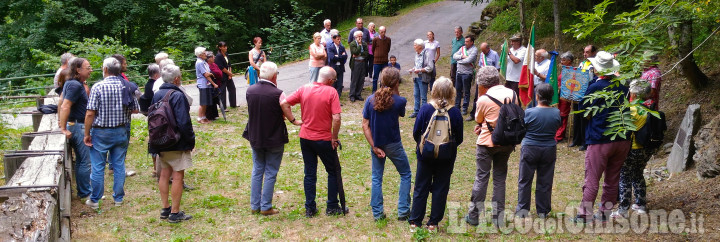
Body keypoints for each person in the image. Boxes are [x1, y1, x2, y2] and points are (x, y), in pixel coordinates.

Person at [280, 66, 347, 218]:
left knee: (309, 173)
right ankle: (332, 206)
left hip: (306, 137)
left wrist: (294, 121)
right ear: (330, 80)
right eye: (334, 80)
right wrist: (334, 137)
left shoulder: (304, 88)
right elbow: (336, 117)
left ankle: (310, 208)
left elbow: (284, 103)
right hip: (323, 139)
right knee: (332, 171)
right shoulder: (331, 92)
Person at [572, 51, 630, 224]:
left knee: (592, 178)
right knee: (612, 178)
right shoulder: (623, 85)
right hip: (623, 137)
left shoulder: (595, 87)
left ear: (597, 69)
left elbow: (584, 112)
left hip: (600, 138)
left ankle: (585, 214)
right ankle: (605, 212)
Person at [83, 57, 140, 209]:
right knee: (119, 164)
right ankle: (118, 198)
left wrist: (86, 133)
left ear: (105, 70)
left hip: (101, 132)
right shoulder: (127, 86)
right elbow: (135, 108)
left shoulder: (98, 87)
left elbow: (90, 113)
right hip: (121, 130)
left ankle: (95, 199)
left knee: (98, 166)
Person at [409, 77, 463, 233]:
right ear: (451, 91)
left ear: (434, 90)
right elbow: (459, 138)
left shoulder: (425, 109)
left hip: (425, 154)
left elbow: (416, 132)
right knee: (441, 188)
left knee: (421, 186)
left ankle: (415, 221)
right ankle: (433, 223)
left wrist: (425, 146)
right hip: (447, 156)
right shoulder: (455, 112)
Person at [465, 66, 517, 227]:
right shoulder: (513, 93)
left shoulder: (483, 98)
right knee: (500, 179)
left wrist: (482, 125)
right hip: (507, 141)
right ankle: (498, 217)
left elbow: (478, 118)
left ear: (482, 83)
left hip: (487, 142)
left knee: (481, 178)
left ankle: (474, 216)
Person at [244, 61, 296, 216]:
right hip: (274, 137)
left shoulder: (250, 90)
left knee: (257, 169)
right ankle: (265, 206)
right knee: (271, 171)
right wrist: (293, 120)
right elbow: (285, 110)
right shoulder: (278, 93)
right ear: (274, 76)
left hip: (256, 135)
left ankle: (255, 205)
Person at [361, 68, 411, 221]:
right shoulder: (399, 101)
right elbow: (401, 112)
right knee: (405, 174)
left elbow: (365, 125)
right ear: (396, 82)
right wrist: (396, 90)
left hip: (377, 143)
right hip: (394, 144)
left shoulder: (370, 100)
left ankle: (377, 213)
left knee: (377, 177)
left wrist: (374, 146)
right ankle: (403, 211)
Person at [151, 64, 195, 223]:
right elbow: (184, 122)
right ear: (177, 78)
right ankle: (175, 213)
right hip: (176, 141)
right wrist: (190, 141)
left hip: (160, 139)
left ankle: (165, 208)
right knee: (178, 176)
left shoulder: (157, 94)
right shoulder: (177, 95)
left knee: (164, 174)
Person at [515, 83, 561, 218]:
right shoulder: (556, 113)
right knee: (545, 180)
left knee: (524, 180)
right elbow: (557, 127)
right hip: (549, 149)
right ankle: (543, 210)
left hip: (530, 147)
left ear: (537, 96)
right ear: (552, 97)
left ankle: (522, 209)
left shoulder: (529, 112)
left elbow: (523, 128)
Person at [612, 79, 653, 219]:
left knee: (624, 177)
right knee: (638, 174)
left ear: (634, 94)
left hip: (632, 148)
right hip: (646, 149)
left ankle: (623, 209)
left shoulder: (631, 110)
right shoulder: (650, 107)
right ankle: (641, 204)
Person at [58, 57, 92, 200]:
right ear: (78, 70)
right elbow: (65, 105)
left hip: (76, 124)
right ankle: (85, 192)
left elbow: (61, 101)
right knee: (85, 160)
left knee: (80, 160)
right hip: (77, 125)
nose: (91, 70)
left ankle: (83, 190)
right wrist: (63, 128)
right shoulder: (75, 85)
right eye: (88, 67)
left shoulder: (73, 83)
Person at [570, 45, 599, 151]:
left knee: (584, 118)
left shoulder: (596, 64)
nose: (584, 54)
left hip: (589, 93)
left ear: (594, 52)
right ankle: (576, 139)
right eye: (584, 52)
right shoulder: (582, 64)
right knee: (577, 117)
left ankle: (585, 141)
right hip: (578, 93)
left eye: (587, 52)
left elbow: (595, 78)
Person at [466, 42, 501, 121]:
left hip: (491, 81)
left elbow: (498, 68)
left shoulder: (494, 54)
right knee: (477, 97)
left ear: (488, 48)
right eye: (482, 51)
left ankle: (489, 114)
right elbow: (480, 65)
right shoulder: (482, 54)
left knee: (491, 98)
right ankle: (474, 114)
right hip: (482, 80)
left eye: (484, 51)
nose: (483, 52)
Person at [139, 64, 161, 177]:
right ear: (157, 75)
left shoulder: (148, 84)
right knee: (155, 140)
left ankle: (156, 168)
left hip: (152, 116)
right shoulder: (154, 86)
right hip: (156, 117)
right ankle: (156, 168)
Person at [452, 35, 478, 116]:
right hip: (459, 72)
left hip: (467, 73)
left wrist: (459, 61)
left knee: (466, 92)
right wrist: (462, 56)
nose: (465, 43)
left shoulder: (474, 50)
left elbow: (469, 60)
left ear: (472, 42)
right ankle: (457, 106)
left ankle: (464, 108)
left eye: (467, 41)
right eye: (465, 41)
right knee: (458, 90)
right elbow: (454, 56)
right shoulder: (462, 48)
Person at [409, 39, 434, 118]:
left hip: (423, 77)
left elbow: (430, 67)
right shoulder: (417, 54)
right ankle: (416, 111)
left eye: (415, 45)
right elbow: (417, 65)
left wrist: (419, 70)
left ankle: (423, 113)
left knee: (423, 97)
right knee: (416, 95)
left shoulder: (427, 54)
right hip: (416, 77)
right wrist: (413, 69)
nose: (414, 47)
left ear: (420, 46)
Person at [195, 46, 218, 124]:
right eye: (204, 53)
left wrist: (210, 74)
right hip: (203, 84)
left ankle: (204, 117)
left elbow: (208, 72)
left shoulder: (203, 62)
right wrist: (214, 84)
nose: (206, 54)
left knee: (206, 102)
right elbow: (206, 74)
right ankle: (199, 118)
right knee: (203, 103)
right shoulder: (200, 63)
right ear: (200, 54)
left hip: (206, 84)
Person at [555, 51, 574, 142]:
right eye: (561, 60)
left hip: (566, 95)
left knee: (563, 114)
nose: (561, 62)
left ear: (569, 61)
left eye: (563, 60)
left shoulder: (572, 71)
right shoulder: (564, 69)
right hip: (560, 94)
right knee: (559, 114)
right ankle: (557, 133)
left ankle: (559, 135)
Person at [326, 30, 348, 97]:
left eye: (340, 39)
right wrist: (341, 56)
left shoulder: (342, 47)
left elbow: (345, 56)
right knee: (333, 83)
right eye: (338, 39)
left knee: (340, 83)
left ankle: (338, 96)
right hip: (334, 67)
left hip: (340, 67)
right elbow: (332, 58)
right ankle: (332, 96)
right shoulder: (330, 47)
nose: (339, 41)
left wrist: (338, 56)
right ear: (334, 39)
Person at [349, 30, 369, 102]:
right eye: (359, 36)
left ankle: (358, 94)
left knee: (361, 79)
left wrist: (359, 54)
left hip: (363, 62)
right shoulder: (353, 44)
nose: (360, 38)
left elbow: (366, 54)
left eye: (361, 36)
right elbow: (355, 52)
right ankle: (352, 95)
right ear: (355, 37)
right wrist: (359, 46)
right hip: (356, 62)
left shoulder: (364, 43)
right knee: (355, 79)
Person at [371, 26, 391, 92]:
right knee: (375, 77)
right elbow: (373, 49)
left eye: (384, 32)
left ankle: (382, 91)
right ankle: (374, 91)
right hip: (377, 62)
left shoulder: (388, 39)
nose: (383, 33)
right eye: (381, 32)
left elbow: (388, 49)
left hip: (384, 61)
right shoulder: (375, 39)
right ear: (379, 31)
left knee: (384, 77)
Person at [217, 41, 236, 109]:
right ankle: (223, 107)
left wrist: (230, 74)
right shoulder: (218, 56)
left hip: (228, 74)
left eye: (226, 46)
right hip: (223, 75)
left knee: (232, 89)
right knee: (223, 91)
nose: (226, 48)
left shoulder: (226, 54)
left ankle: (233, 104)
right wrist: (228, 73)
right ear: (220, 47)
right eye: (224, 47)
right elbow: (221, 67)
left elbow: (229, 64)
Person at [205, 51, 222, 121]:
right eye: (212, 57)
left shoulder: (214, 64)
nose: (214, 58)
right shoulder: (207, 66)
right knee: (211, 100)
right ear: (209, 58)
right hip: (211, 84)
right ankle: (210, 116)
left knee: (215, 100)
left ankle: (215, 114)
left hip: (217, 82)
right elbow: (212, 74)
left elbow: (219, 72)